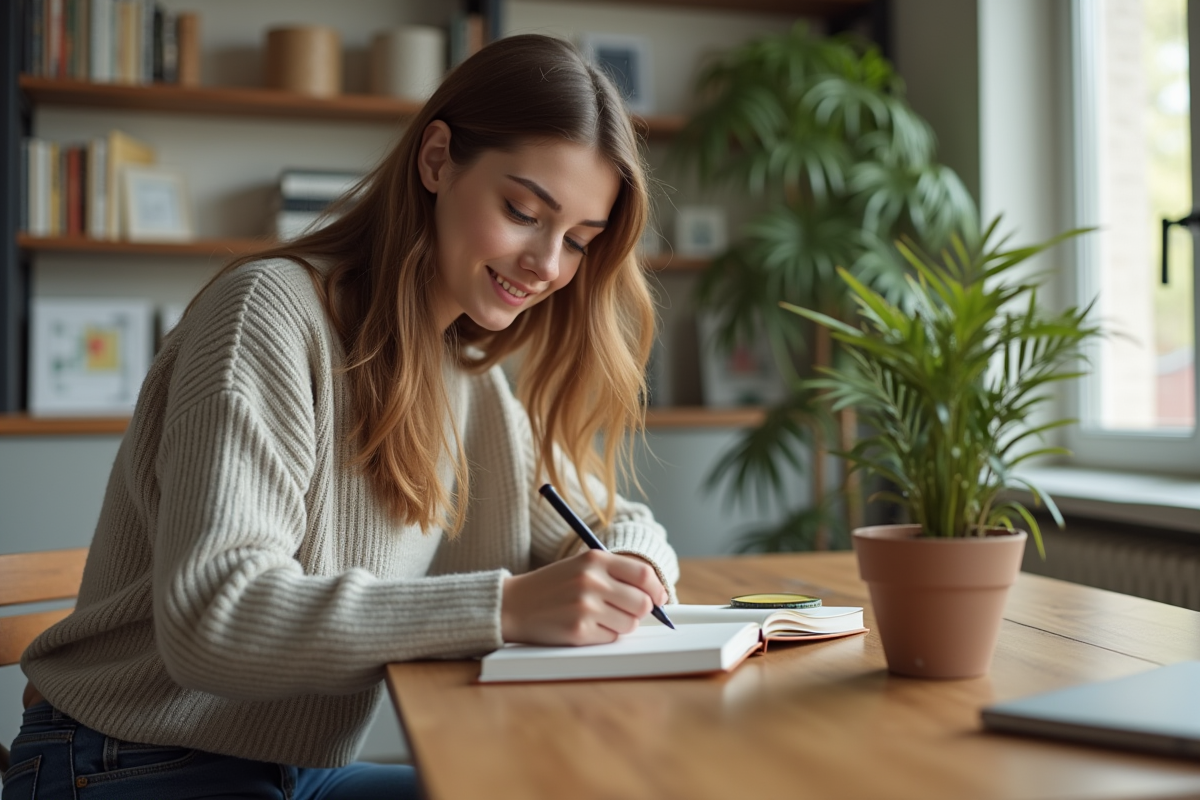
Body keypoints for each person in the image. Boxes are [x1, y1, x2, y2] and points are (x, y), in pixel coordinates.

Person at [4, 34, 679, 800]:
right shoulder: (268, 315)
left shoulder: (465, 376)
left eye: (579, 242)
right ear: (436, 160)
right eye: (523, 211)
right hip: (123, 762)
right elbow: (213, 617)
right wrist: (504, 606)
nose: (548, 265)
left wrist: (635, 575)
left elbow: (607, 521)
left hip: (294, 772)